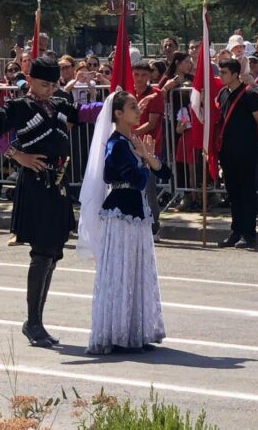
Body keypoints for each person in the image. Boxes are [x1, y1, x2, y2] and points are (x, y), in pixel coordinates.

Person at [0, 57, 100, 347]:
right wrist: (16, 155)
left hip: (58, 183)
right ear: (30, 81)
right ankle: (32, 322)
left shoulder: (58, 103)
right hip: (35, 183)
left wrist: (111, 104)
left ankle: (37, 321)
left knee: (54, 253)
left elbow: (82, 113)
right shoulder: (19, 107)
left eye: (53, 84)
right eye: (44, 84)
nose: (49, 89)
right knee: (42, 253)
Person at [76, 90, 170, 354]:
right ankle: (116, 332)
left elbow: (165, 172)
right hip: (120, 214)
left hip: (137, 213)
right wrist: (145, 161)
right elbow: (134, 178)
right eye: (132, 106)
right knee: (121, 272)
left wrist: (149, 158)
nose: (138, 109)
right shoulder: (116, 144)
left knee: (137, 270)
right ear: (118, 114)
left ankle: (135, 332)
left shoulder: (134, 141)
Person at [215, 58, 258, 249]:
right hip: (227, 152)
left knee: (247, 193)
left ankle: (249, 234)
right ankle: (235, 231)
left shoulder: (249, 95)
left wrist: (253, 143)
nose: (221, 76)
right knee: (233, 193)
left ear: (236, 74)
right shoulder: (222, 94)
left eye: (224, 72)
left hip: (245, 151)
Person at [132, 62, 165, 235]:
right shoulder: (128, 94)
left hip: (148, 146)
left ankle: (154, 224)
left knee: (148, 185)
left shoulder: (155, 94)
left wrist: (131, 132)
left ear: (149, 76)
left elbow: (152, 123)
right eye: (136, 74)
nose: (139, 79)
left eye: (144, 75)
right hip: (129, 145)